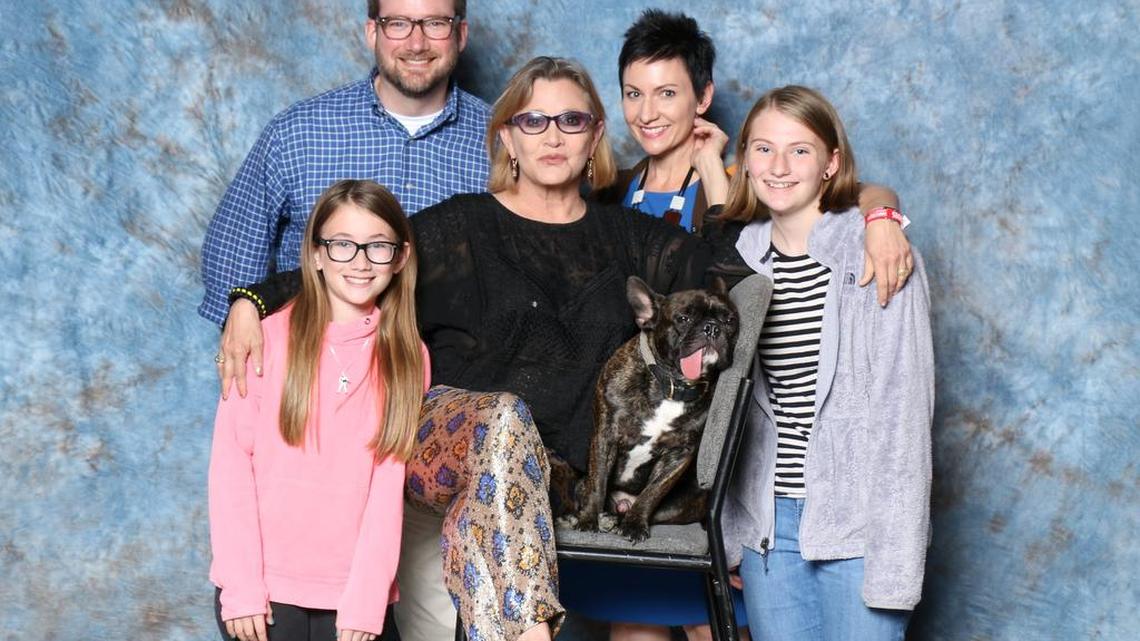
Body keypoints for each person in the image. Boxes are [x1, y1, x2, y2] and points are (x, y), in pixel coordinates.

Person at [199, 3, 487, 639]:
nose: (417, 40)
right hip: (303, 436)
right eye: (398, 22)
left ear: (461, 34)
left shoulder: (500, 144)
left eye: (436, 22)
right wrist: (250, 305)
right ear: (371, 31)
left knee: (428, 623)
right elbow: (231, 256)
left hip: (429, 437)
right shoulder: (302, 132)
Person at [719, 85, 934, 641]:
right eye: (763, 149)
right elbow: (731, 412)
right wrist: (735, 530)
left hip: (860, 527)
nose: (780, 166)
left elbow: (903, 416)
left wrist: (896, 563)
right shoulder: (739, 257)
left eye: (800, 150)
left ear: (831, 162)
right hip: (770, 532)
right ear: (743, 161)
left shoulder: (876, 251)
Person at [208, 180, 428, 641]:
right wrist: (243, 586)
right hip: (265, 595)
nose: (361, 262)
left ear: (401, 257)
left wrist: (367, 601)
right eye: (343, 245)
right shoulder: (264, 337)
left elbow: (388, 487)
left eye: (378, 246)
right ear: (316, 254)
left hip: (353, 596)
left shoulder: (409, 355)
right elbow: (230, 468)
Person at [595, 9, 912, 307]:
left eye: (667, 93)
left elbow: (856, 191)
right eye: (634, 94)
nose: (647, 114)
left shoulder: (753, 182)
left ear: (703, 97)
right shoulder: (610, 189)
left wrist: (883, 218)